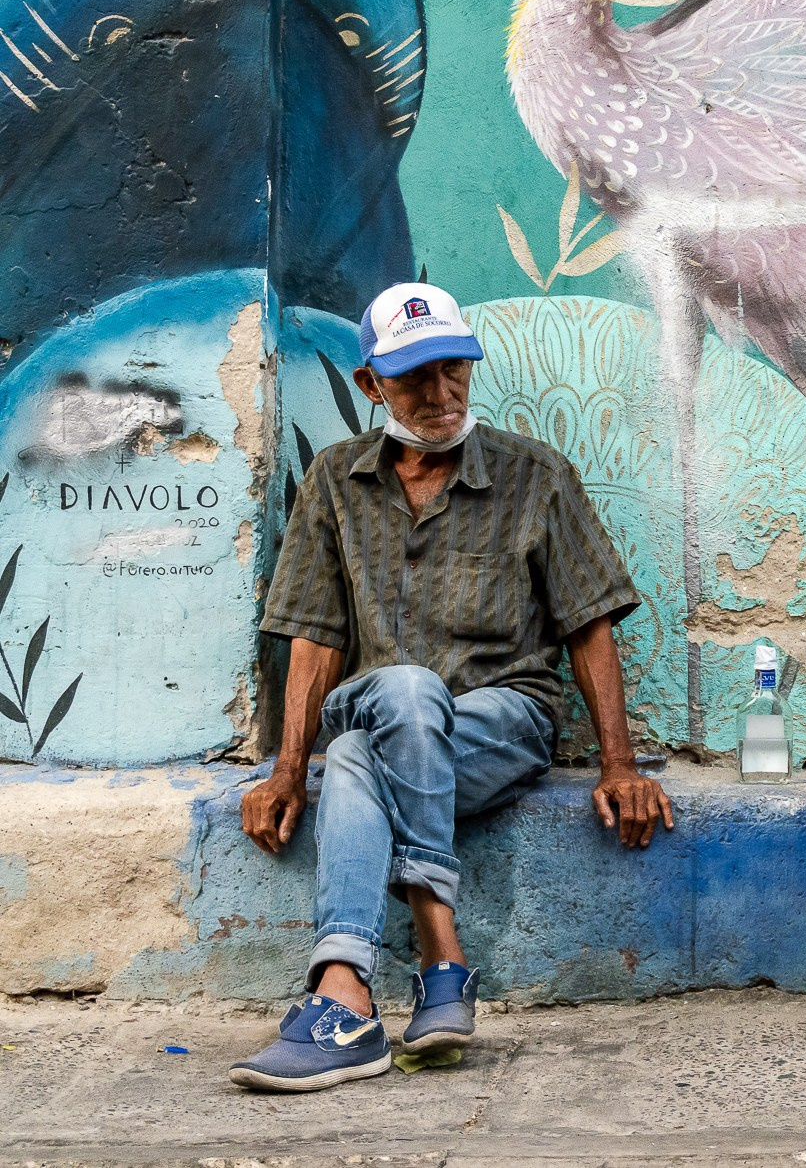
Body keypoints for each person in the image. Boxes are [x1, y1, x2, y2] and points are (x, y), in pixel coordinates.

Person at [228, 280, 671, 1092]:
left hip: (501, 720)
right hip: (385, 708)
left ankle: (344, 998)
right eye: (414, 376)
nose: (440, 393)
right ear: (371, 385)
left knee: (362, 751)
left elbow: (589, 625)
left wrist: (620, 764)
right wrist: (288, 767)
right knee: (388, 705)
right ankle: (438, 964)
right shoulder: (333, 482)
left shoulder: (534, 475)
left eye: (453, 369)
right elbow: (314, 633)